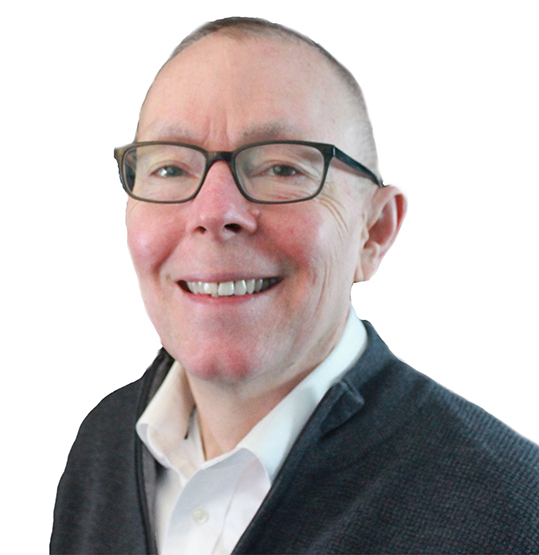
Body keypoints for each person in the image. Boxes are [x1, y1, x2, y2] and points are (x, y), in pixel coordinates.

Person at [50, 17, 539, 555]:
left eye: (281, 169)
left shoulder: (512, 515)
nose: (214, 213)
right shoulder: (104, 443)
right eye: (170, 169)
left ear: (373, 232)